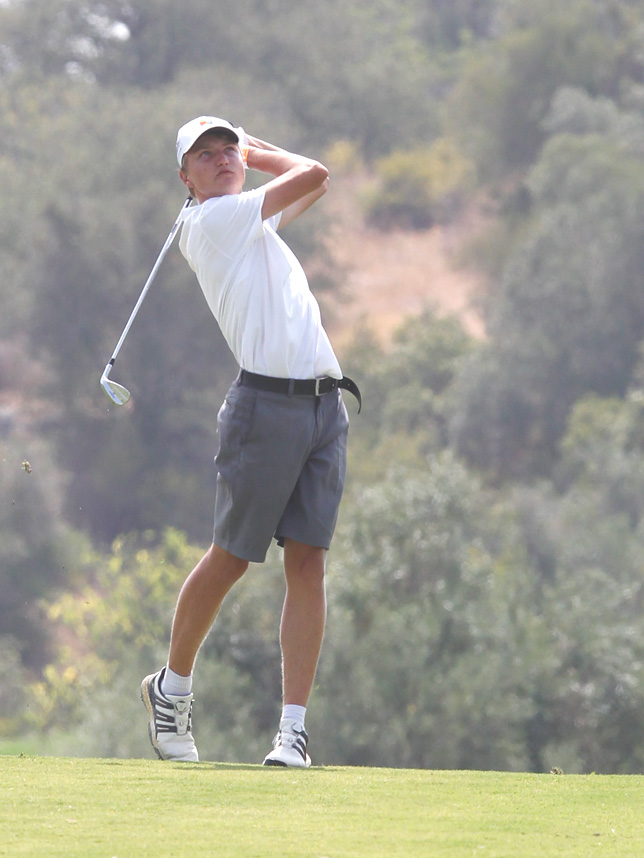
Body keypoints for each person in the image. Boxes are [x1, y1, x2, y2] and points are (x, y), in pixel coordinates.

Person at [140, 116, 360, 767]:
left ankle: (291, 731)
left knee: (309, 562)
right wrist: (261, 154)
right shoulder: (212, 223)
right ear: (185, 179)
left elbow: (314, 188)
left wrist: (254, 156)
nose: (221, 160)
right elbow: (313, 173)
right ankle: (171, 689)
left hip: (323, 406)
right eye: (204, 157)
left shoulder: (249, 224)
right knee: (231, 557)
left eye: (227, 150)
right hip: (263, 407)